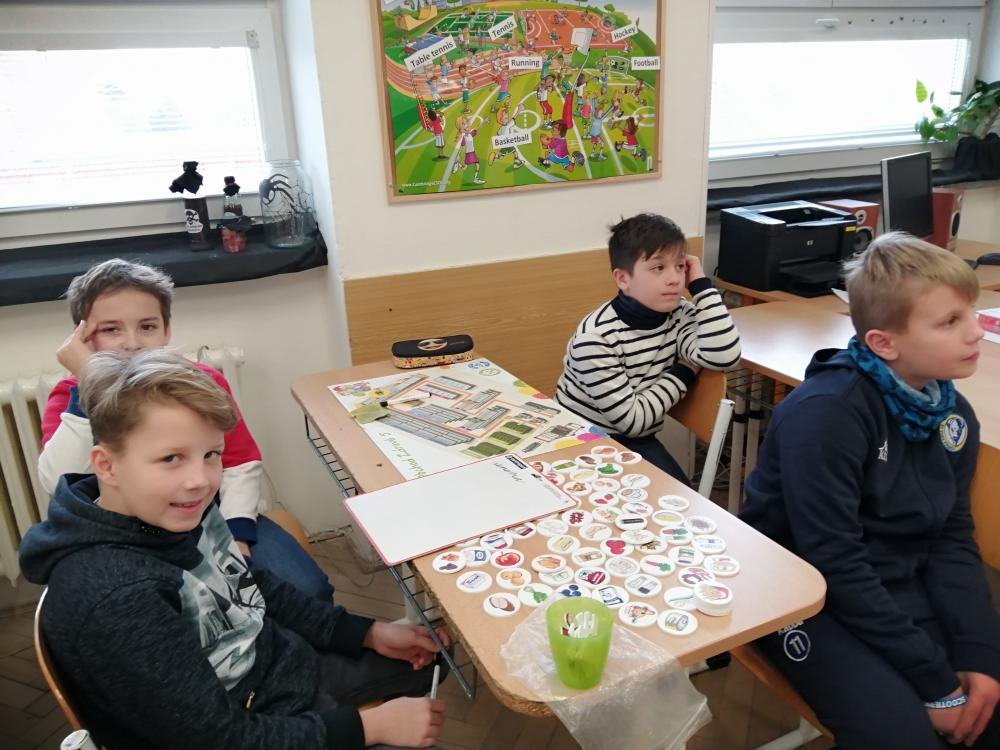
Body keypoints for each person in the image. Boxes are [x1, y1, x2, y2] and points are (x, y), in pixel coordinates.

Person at [20, 350, 448, 750]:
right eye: (171, 458)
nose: (201, 481)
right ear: (107, 465)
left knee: (436, 658)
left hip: (275, 673)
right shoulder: (118, 596)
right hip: (247, 724)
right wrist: (368, 728)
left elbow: (250, 585)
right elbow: (214, 738)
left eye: (211, 455)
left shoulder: (174, 510)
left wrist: (365, 633)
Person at [739, 233, 1000, 749]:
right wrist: (935, 681)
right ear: (884, 343)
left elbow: (951, 538)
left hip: (890, 586)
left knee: (988, 703)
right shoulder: (828, 415)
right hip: (802, 597)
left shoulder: (953, 414)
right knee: (901, 736)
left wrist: (979, 653)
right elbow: (835, 561)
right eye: (950, 321)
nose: (975, 332)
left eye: (971, 313)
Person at [37, 259, 334, 601]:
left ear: (167, 330)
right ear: (82, 337)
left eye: (147, 326)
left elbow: (239, 463)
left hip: (212, 515)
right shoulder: (72, 395)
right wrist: (90, 382)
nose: (132, 343)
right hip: (125, 534)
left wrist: (237, 535)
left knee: (306, 591)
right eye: (111, 330)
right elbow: (59, 480)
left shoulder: (202, 382)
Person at [555, 213, 741, 483]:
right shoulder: (595, 338)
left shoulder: (678, 313)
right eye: (658, 268)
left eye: (680, 266)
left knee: (684, 500)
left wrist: (702, 287)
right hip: (580, 439)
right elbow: (633, 421)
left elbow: (724, 356)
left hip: (635, 440)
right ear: (623, 279)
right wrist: (685, 371)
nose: (674, 279)